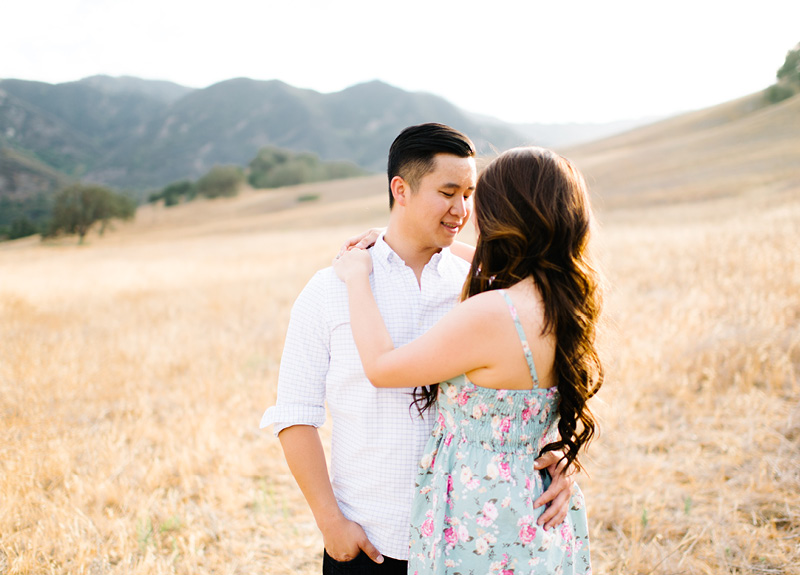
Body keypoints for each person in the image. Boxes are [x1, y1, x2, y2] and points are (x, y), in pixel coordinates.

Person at [261, 124, 574, 575]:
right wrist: (330, 523)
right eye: (448, 192)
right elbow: (295, 413)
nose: (461, 209)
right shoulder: (331, 288)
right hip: (371, 536)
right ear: (400, 189)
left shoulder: (484, 290)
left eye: (469, 194)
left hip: (467, 539)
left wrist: (560, 458)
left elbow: (532, 387)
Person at [333, 146, 602, 574]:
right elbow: (482, 260)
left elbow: (383, 368)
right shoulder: (561, 300)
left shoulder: (494, 313)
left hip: (483, 519)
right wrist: (394, 236)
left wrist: (355, 276)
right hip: (532, 507)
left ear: (504, 212)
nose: (467, 210)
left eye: (478, 198)